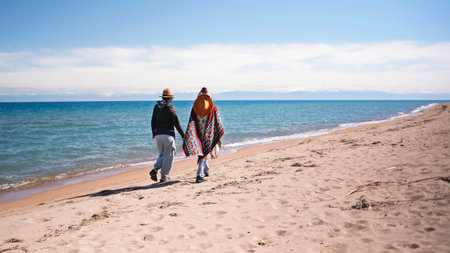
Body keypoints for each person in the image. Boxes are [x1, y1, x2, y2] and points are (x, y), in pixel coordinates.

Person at [183, 87, 224, 183]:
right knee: (203, 153)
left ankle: (206, 170)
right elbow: (218, 122)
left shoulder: (195, 109)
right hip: (209, 134)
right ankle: (199, 174)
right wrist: (217, 130)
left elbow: (191, 122)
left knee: (204, 152)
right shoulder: (213, 108)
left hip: (197, 134)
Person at [150, 88, 185, 183]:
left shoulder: (157, 107)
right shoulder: (170, 107)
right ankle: (164, 176)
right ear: (170, 98)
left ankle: (155, 169)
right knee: (169, 155)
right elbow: (176, 123)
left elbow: (153, 121)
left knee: (162, 154)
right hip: (168, 135)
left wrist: (154, 133)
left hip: (158, 135)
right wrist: (183, 135)